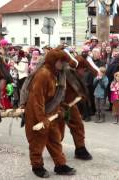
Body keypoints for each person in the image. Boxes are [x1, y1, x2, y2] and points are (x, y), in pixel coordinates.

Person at [24, 48, 76, 178]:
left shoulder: (55, 73)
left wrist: (60, 107)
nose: (64, 64)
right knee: (37, 141)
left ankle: (60, 165)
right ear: (55, 61)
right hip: (36, 113)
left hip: (49, 112)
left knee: (55, 139)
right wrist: (41, 118)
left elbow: (53, 96)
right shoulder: (43, 74)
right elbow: (37, 99)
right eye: (62, 61)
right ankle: (37, 166)